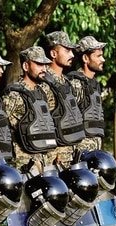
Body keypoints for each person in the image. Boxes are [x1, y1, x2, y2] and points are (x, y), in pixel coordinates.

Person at [3, 46, 56, 171]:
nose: (44, 69)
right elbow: (2, 129)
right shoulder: (14, 94)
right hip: (23, 163)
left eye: (45, 65)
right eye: (39, 64)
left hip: (44, 160)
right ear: (26, 67)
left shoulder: (42, 92)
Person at [42, 31, 85, 166]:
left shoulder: (67, 82)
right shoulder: (44, 84)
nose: (72, 55)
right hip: (53, 158)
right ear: (53, 54)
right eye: (67, 51)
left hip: (70, 154)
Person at [67, 36, 107, 152]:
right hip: (80, 149)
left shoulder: (94, 84)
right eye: (98, 56)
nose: (103, 59)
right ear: (85, 58)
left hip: (95, 146)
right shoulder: (76, 83)